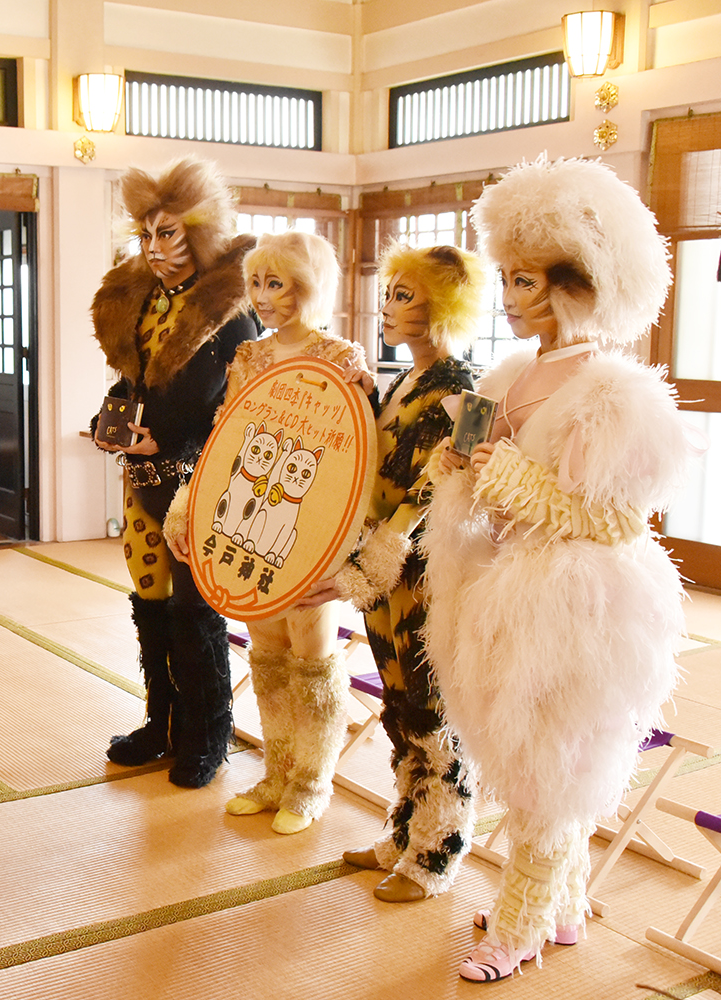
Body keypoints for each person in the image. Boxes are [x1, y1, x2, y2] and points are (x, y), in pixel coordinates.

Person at [421, 157, 691, 982]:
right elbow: (479, 472)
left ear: (577, 281)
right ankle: (563, 904)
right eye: (505, 278)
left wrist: (496, 468)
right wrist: (457, 464)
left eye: (526, 280)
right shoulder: (504, 377)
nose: (509, 296)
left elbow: (608, 516)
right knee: (536, 761)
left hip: (575, 602)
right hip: (503, 584)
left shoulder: (618, 393)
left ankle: (518, 924)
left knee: (547, 770)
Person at [163, 230, 373, 832]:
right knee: (267, 651)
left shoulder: (340, 357)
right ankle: (276, 772)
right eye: (256, 283)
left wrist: (365, 388)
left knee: (314, 656)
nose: (262, 296)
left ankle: (312, 783)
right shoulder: (249, 357)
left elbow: (359, 450)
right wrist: (189, 512)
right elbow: (224, 438)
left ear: (308, 287)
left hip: (313, 525)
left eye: (275, 283)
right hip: (248, 513)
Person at [315, 243, 486, 900]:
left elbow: (449, 481)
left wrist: (388, 545)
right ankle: (404, 829)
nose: (388, 308)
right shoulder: (399, 380)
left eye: (405, 296)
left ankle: (437, 852)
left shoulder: (468, 392)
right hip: (380, 572)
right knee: (397, 705)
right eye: (389, 294)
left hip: (424, 576)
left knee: (432, 709)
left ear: (443, 307)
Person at [91, 155, 258, 788]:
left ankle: (207, 735)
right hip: (142, 479)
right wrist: (112, 418)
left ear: (199, 230)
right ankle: (159, 724)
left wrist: (175, 437)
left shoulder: (232, 314)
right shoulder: (139, 303)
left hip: (202, 482)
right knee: (150, 601)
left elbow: (239, 408)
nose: (155, 247)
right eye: (146, 234)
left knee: (194, 608)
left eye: (168, 233)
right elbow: (130, 380)